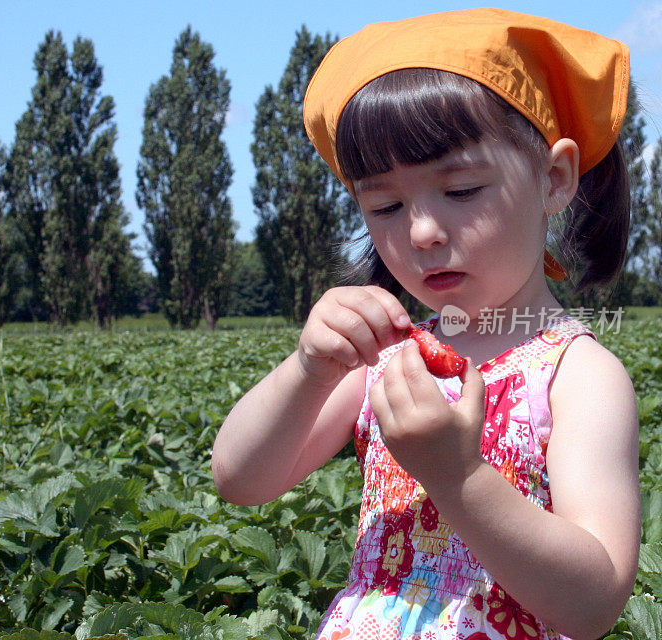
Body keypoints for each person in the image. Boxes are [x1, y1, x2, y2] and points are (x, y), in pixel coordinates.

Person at [211, 9, 640, 640]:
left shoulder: (578, 376)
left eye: (461, 190)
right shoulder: (391, 356)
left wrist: (459, 478)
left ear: (553, 179)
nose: (421, 232)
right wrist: (308, 370)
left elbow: (594, 603)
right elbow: (240, 479)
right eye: (384, 204)